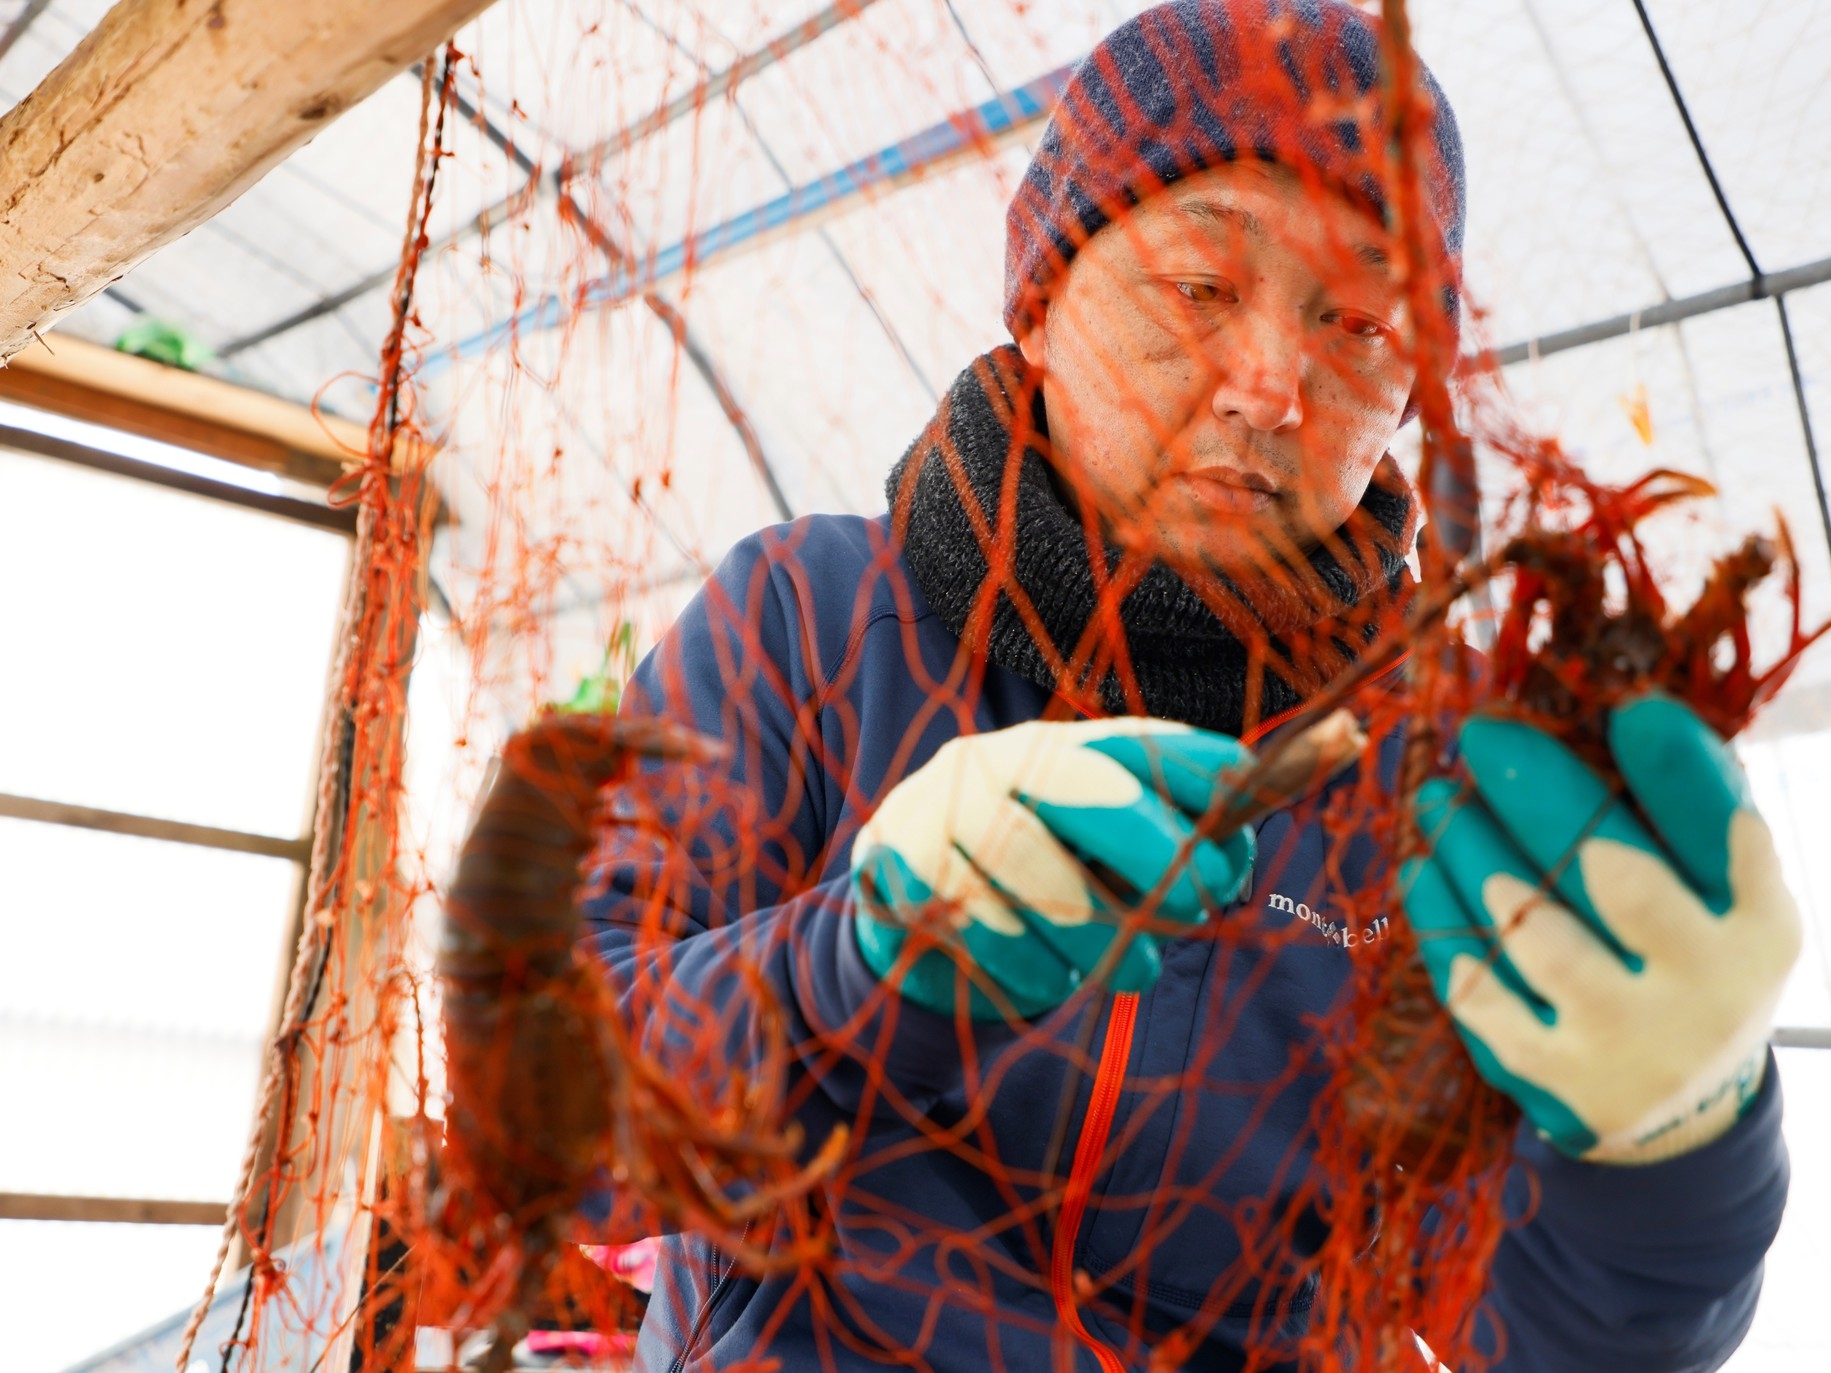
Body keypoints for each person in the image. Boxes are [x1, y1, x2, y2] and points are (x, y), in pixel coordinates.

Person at [585, 2, 1800, 1368]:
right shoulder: (802, 616)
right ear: (1042, 301)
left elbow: (1563, 1343)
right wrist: (852, 964)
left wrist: (1668, 1135)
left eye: (1359, 323)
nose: (1274, 381)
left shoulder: (1455, 771)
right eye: (1201, 287)